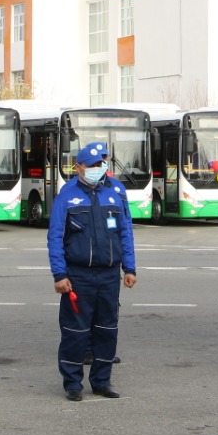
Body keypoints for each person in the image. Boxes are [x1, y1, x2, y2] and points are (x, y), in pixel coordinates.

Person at [48, 141, 137, 401]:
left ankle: (102, 381)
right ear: (79, 168)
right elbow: (55, 237)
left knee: (107, 331)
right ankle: (72, 383)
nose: (98, 168)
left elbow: (125, 233)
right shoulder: (67, 196)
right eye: (92, 165)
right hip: (78, 276)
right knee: (75, 333)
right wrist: (59, 275)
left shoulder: (113, 194)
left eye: (101, 164)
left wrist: (129, 267)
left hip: (109, 275)